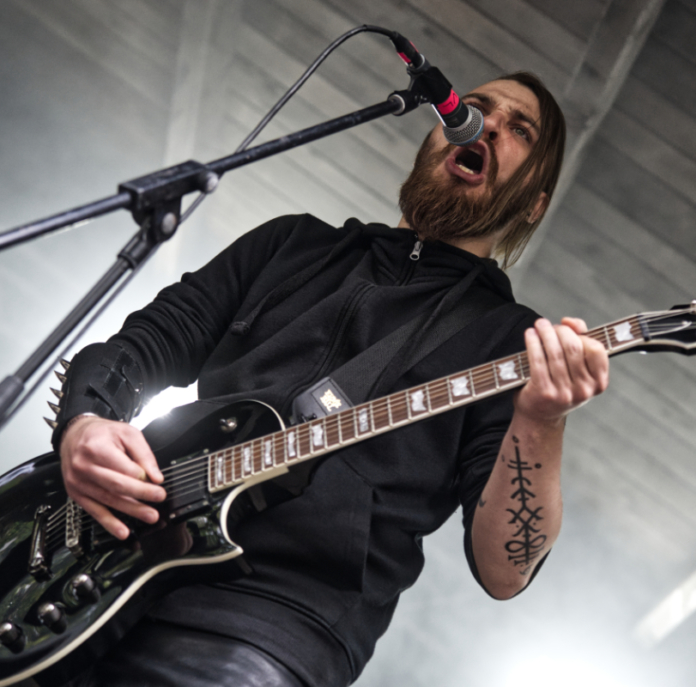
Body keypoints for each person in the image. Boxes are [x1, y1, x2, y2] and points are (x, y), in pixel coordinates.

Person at [52, 72, 609, 687]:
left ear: (534, 205)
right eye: (475, 107)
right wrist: (85, 422)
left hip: (269, 627)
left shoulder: (510, 341)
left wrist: (541, 420)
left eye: (521, 130)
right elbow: (145, 342)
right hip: (96, 570)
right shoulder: (293, 244)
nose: (489, 124)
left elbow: (506, 570)